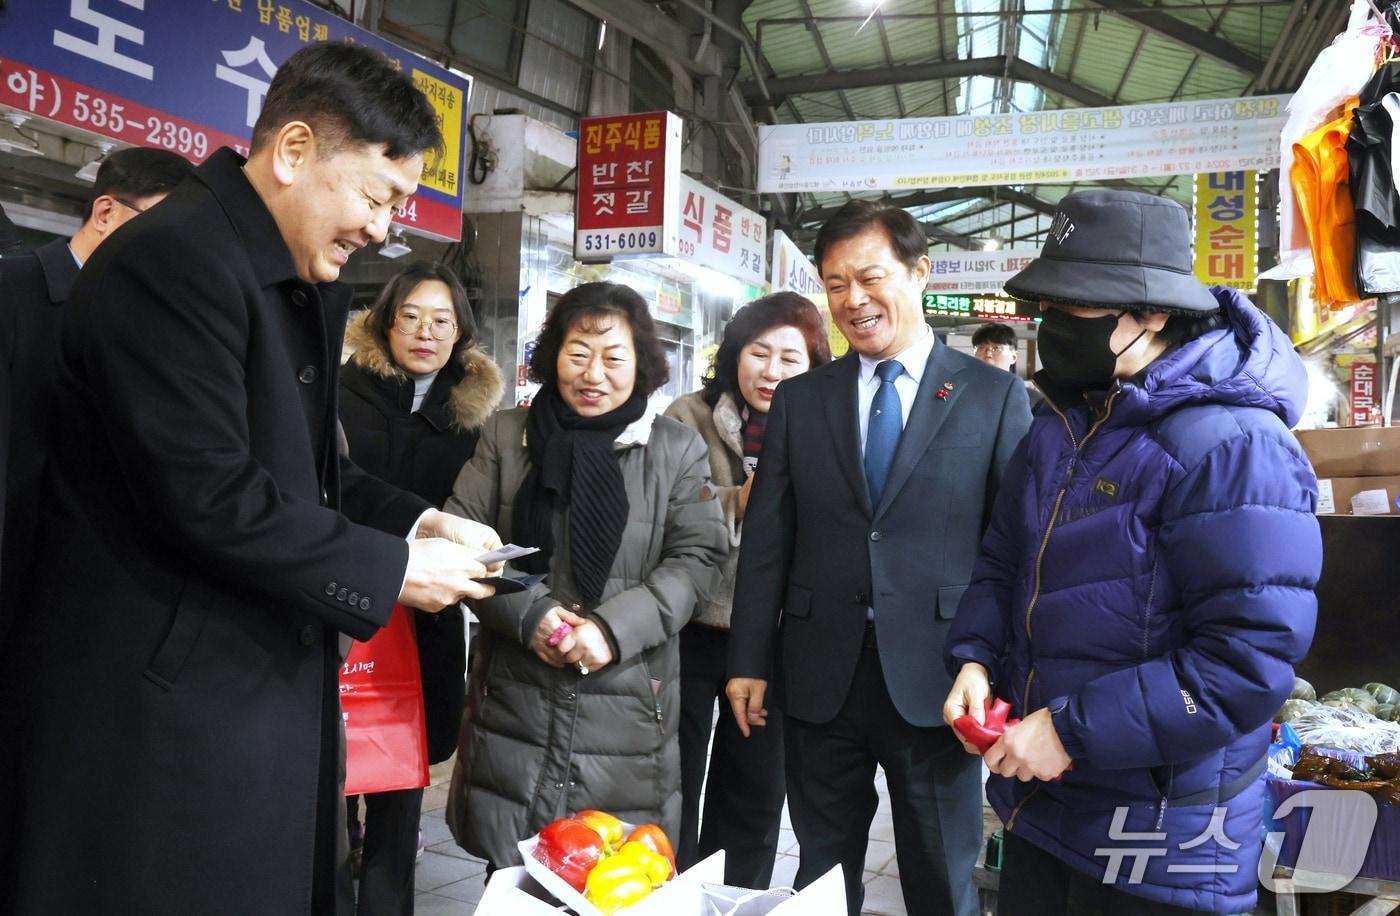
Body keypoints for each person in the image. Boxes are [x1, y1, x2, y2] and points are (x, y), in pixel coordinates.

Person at [7, 43, 504, 916]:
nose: (384, 229)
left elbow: (313, 472)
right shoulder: (173, 261)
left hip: (240, 694)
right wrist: (391, 571)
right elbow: (207, 493)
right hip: (160, 719)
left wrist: (420, 524)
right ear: (296, 150)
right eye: (379, 197)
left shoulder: (281, 274)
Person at [942, 189, 1321, 916]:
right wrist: (975, 657)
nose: (1050, 325)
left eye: (1073, 307)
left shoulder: (1235, 446)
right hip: (1043, 810)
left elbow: (1245, 663)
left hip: (1160, 845)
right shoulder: (1058, 423)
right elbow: (1003, 561)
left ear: (1151, 313)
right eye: (1045, 304)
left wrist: (1070, 730)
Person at [725, 200, 1033, 916]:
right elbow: (769, 538)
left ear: (919, 272)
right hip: (817, 673)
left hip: (938, 681)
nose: (853, 301)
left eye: (869, 278)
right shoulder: (802, 400)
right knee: (823, 882)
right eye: (834, 285)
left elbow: (1012, 548)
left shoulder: (994, 396)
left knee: (940, 876)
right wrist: (748, 658)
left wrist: (994, 666)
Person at [443, 281, 727, 870]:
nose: (593, 373)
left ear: (641, 365)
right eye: (578, 354)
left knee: (615, 877)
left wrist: (611, 630)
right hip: (516, 698)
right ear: (553, 358)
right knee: (515, 877)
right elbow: (459, 535)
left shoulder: (675, 448)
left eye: (613, 357)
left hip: (627, 701)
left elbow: (698, 559)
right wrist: (533, 615)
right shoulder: (505, 435)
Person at [0, 146, 192, 881]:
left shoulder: (150, 324)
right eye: (158, 233)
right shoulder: (15, 295)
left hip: (81, 613)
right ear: (106, 211)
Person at [338, 260, 504, 915]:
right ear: (383, 322)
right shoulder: (336, 394)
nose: (425, 332)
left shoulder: (476, 416)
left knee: (403, 770)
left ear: (461, 332)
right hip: (345, 597)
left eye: (442, 320)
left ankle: (387, 898)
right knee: (334, 760)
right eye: (410, 316)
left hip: (429, 614)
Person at [663, 291, 832, 886]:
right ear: (735, 353)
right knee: (673, 779)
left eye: (791, 358)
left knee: (755, 789)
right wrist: (742, 501)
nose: (773, 370)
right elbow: (665, 510)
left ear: (813, 365)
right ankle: (666, 893)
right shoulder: (687, 417)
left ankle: (734, 896)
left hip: (771, 640)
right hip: (690, 629)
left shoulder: (826, 427)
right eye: (760, 353)